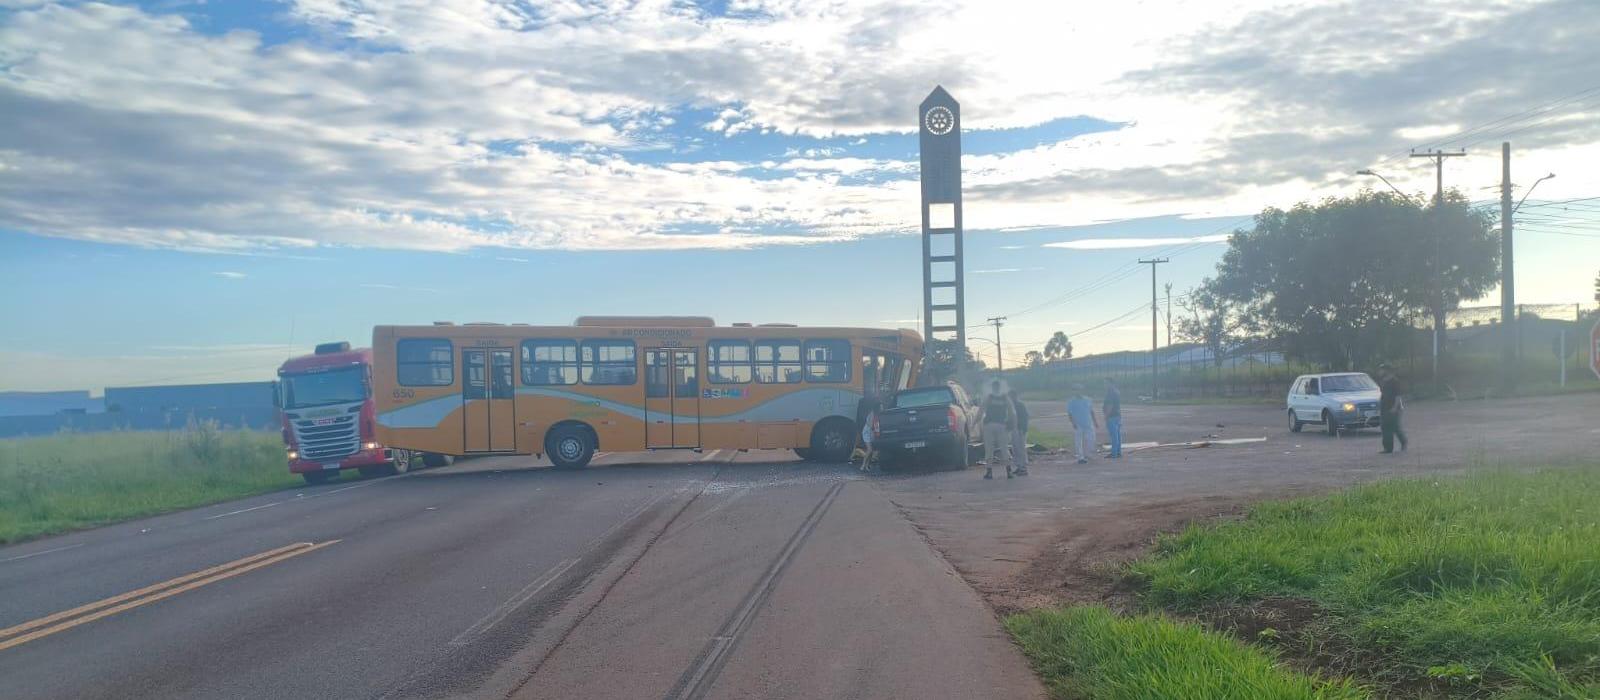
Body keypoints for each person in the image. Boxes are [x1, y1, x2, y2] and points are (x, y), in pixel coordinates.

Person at [977, 379, 1016, 480]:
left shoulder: (988, 397)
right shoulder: (1005, 398)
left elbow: (980, 411)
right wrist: (1012, 423)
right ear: (999, 388)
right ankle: (1009, 471)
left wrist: (974, 423)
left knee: (989, 448)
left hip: (989, 425)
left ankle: (989, 472)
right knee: (1004, 448)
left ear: (993, 388)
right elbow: (1012, 412)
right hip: (1001, 424)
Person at [1066, 385, 1098, 464]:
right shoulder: (1071, 402)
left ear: (1082, 390)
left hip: (1088, 423)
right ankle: (1080, 457)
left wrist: (1095, 422)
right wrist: (1073, 423)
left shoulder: (1088, 400)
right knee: (1078, 441)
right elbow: (1070, 414)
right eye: (1075, 390)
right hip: (1078, 424)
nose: (1077, 391)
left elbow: (1091, 411)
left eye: (1079, 389)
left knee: (1091, 439)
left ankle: (1088, 453)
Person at [1379, 370, 1408, 454]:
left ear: (1387, 370)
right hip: (1384, 408)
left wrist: (1395, 407)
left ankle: (1403, 441)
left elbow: (1398, 396)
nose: (1380, 371)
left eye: (1382, 369)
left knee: (1395, 427)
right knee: (1385, 428)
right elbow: (1383, 394)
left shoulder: (1395, 381)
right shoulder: (1383, 381)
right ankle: (1388, 448)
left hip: (1393, 408)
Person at [1008, 389, 1029, 476]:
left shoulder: (1020, 405)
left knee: (1021, 449)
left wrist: (1023, 429)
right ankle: (1019, 466)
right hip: (1014, 429)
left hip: (1020, 429)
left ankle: (1023, 468)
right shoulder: (1011, 406)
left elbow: (1025, 418)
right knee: (1015, 449)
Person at [1103, 378, 1123, 459]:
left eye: (1106, 383)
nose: (1105, 385)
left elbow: (1110, 405)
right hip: (1117, 415)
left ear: (1111, 384)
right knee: (1117, 435)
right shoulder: (1116, 391)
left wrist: (1106, 416)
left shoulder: (1110, 393)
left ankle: (1114, 453)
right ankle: (1118, 452)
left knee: (1114, 436)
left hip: (1111, 416)